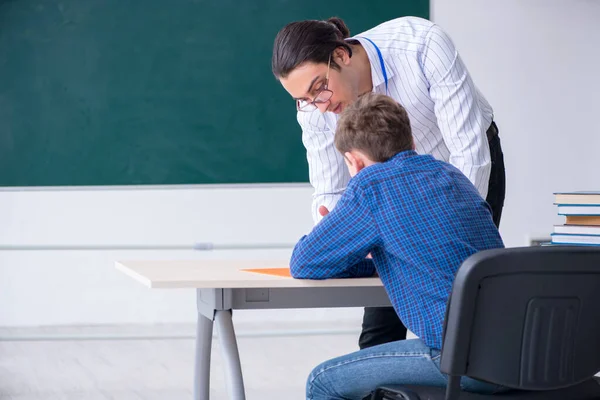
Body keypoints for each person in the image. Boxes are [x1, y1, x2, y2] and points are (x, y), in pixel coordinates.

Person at [272, 15, 505, 350]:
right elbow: (330, 190)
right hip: (388, 193)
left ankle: (475, 371)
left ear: (341, 55)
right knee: (382, 319)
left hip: (459, 175)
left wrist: (431, 230)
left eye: (318, 88)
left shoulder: (421, 46)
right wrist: (344, 239)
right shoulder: (315, 111)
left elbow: (469, 153)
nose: (319, 106)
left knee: (459, 294)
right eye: (304, 100)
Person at [289, 93, 505, 399]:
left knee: (322, 381)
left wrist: (333, 226)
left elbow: (304, 262)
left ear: (354, 161)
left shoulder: (370, 185)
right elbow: (415, 254)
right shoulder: (452, 176)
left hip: (465, 361)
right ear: (412, 142)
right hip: (521, 352)